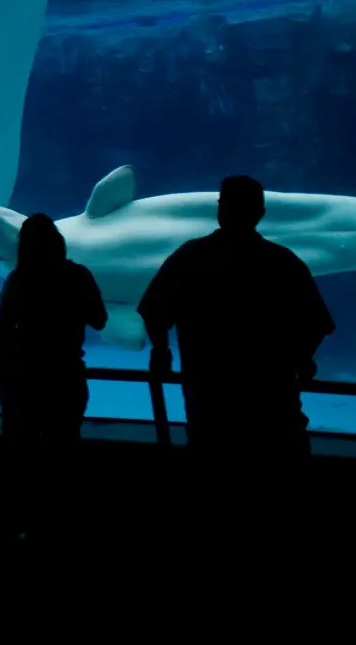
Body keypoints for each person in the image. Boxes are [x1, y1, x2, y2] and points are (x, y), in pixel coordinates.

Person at [137, 175, 335, 457]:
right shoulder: (282, 261)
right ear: (261, 212)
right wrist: (302, 359)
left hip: (208, 394)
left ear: (220, 209)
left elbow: (153, 310)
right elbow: (317, 322)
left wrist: (161, 350)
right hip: (271, 394)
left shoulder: (190, 257)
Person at [0, 214, 107, 445]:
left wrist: (3, 379)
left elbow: (3, 333)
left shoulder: (17, 280)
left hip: (23, 379)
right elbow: (99, 320)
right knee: (64, 439)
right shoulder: (78, 275)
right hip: (66, 375)